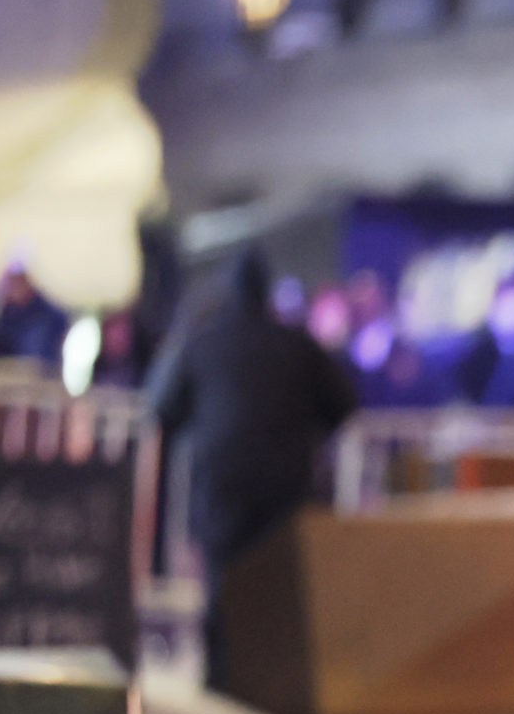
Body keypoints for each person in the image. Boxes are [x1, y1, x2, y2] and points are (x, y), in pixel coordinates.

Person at [147, 249, 360, 691]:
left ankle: (222, 683)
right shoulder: (297, 344)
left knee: (223, 587)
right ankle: (274, 684)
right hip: (286, 483)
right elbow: (344, 405)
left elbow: (163, 409)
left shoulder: (203, 342)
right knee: (277, 588)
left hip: (223, 481)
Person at [0, 262, 72, 371]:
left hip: (38, 372)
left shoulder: (48, 316)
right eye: (10, 284)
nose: (12, 288)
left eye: (17, 283)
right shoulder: (4, 312)